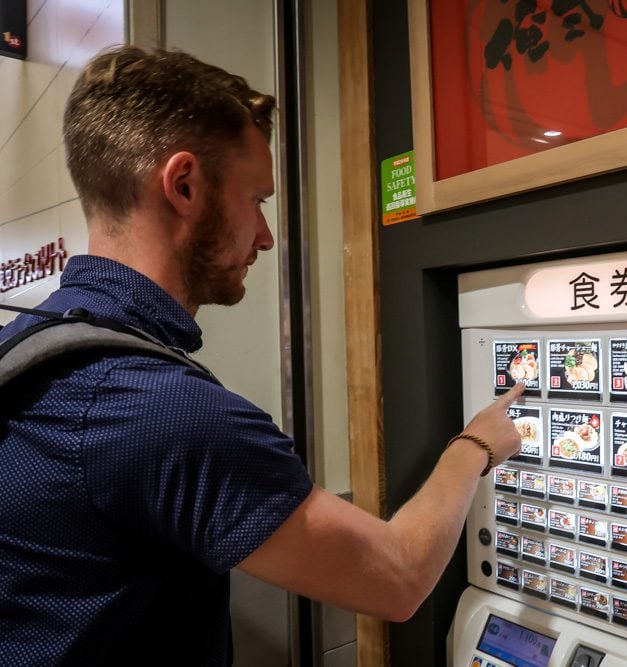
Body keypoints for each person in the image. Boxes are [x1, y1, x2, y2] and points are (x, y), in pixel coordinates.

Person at [0, 45, 523, 665]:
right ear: (184, 184)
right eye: (257, 201)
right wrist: (476, 447)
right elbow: (399, 579)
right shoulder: (158, 409)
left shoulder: (29, 340)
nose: (267, 237)